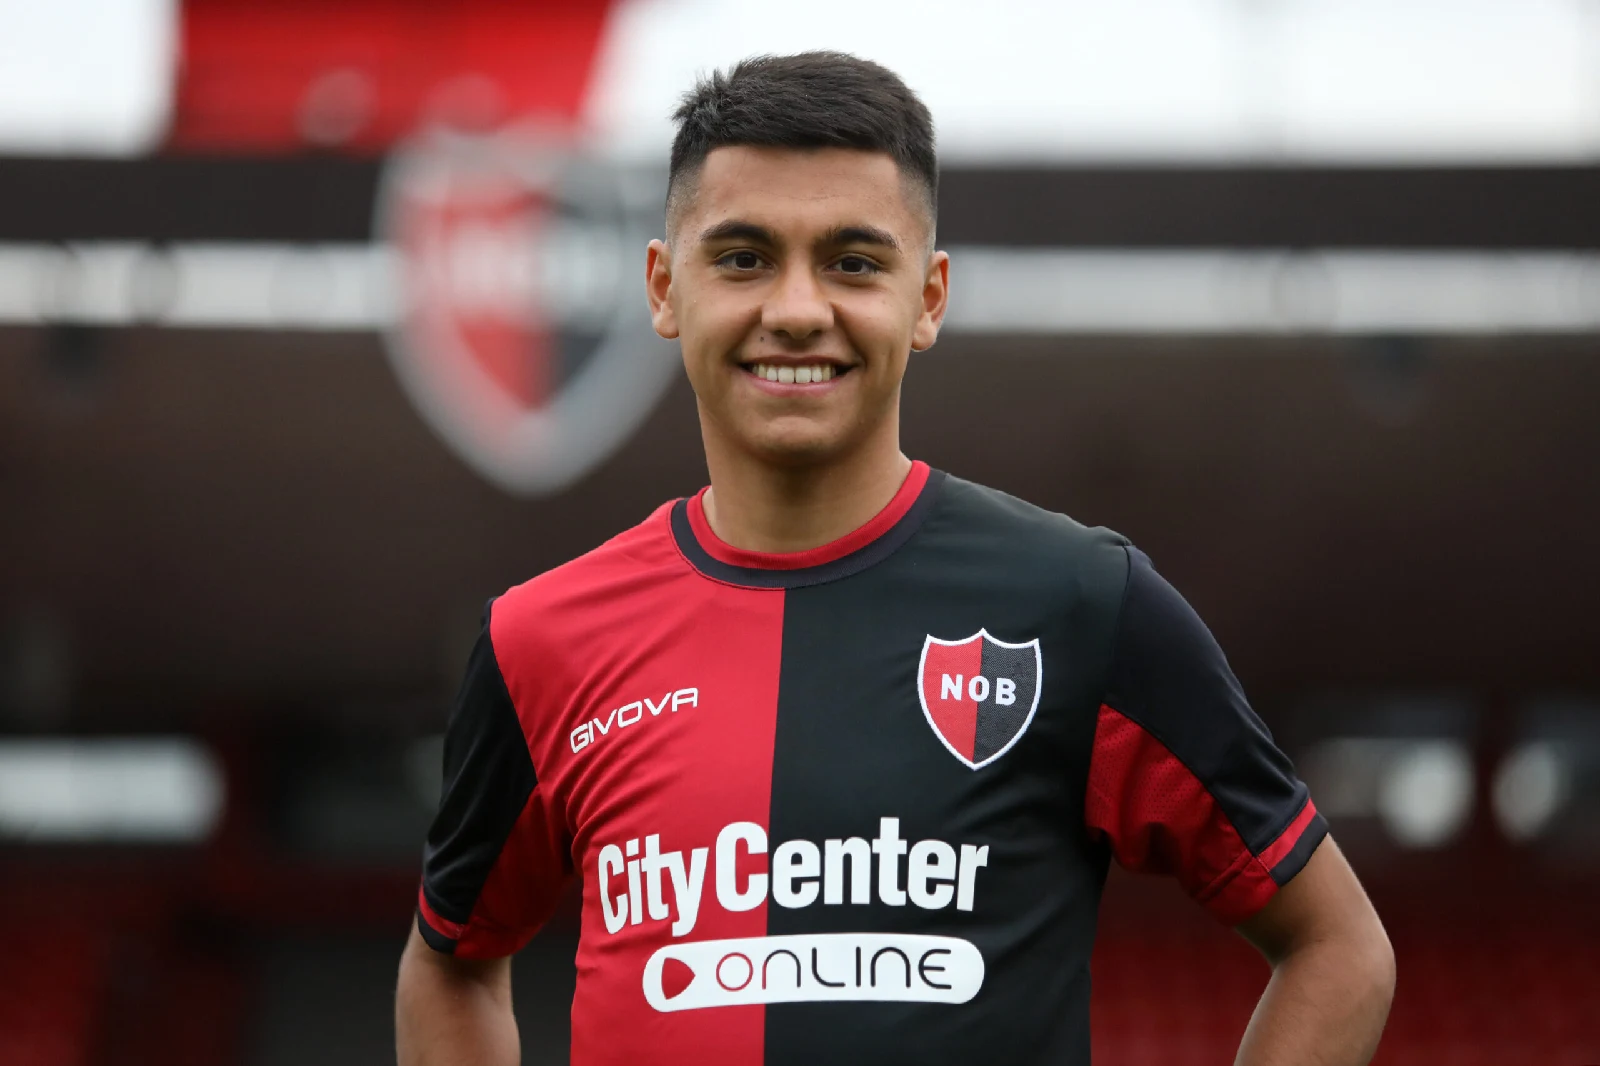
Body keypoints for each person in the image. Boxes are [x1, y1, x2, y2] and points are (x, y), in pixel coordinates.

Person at [395, 51, 1394, 1066]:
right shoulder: (539, 642)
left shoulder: (1079, 604)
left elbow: (1338, 948)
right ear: (663, 287)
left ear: (928, 297)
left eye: (853, 263)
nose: (796, 309)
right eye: (742, 258)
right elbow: (449, 964)